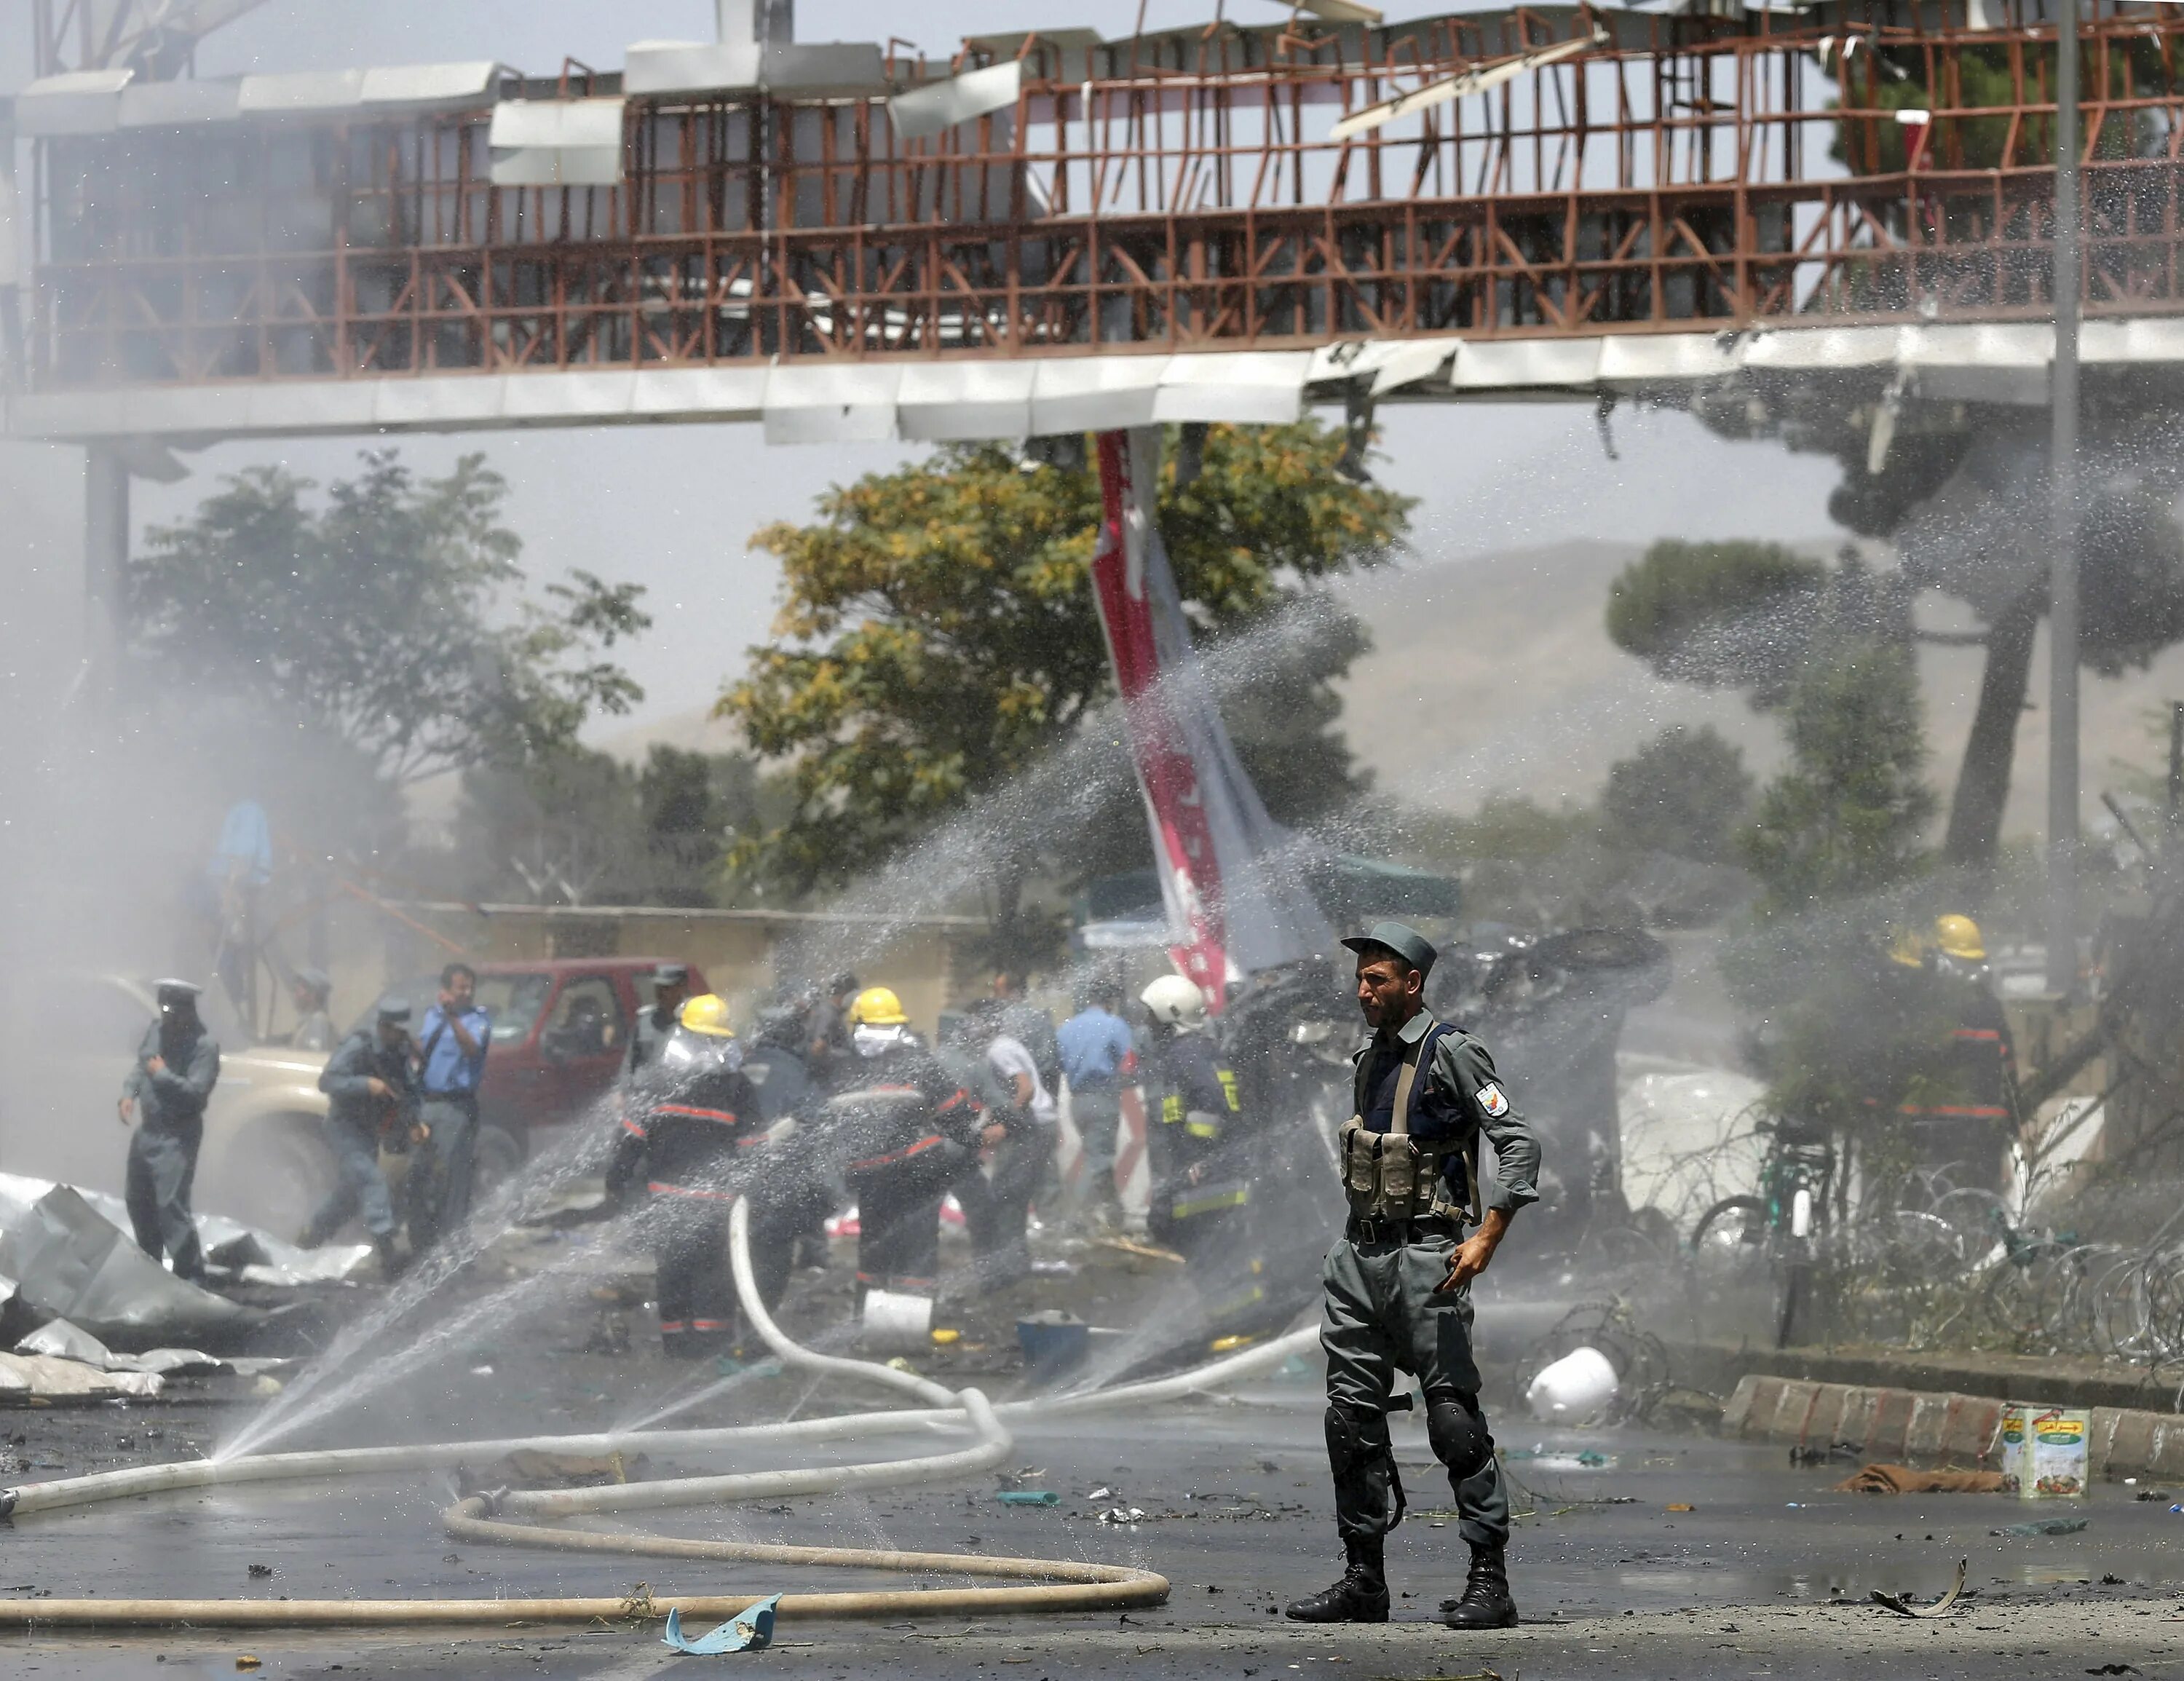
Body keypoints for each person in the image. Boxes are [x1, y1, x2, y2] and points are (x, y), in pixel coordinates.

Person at [1286, 922, 1541, 1632]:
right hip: (1359, 1259)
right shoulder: (1368, 1058)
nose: (1363, 990)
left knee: (1453, 1418)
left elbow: (1517, 1141)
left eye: (1378, 979)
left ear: (1413, 983)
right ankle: (1364, 1580)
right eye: (1361, 978)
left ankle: (1490, 1580)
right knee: (1351, 1419)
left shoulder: (1453, 1051)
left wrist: (1490, 1231)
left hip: (1431, 1258)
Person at [606, 994, 774, 1359]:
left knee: (673, 1272)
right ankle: (709, 1349)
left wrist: (615, 1183)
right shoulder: (737, 1087)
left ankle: (678, 1347)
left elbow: (630, 1140)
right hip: (715, 1206)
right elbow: (755, 1149)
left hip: (668, 1202)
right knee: (712, 1277)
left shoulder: (657, 1082)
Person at [823, 986, 982, 1313]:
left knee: (875, 1244)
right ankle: (912, 1318)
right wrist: (970, 1141)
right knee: (918, 1244)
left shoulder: (844, 1069)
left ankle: (868, 1317)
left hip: (870, 1174)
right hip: (919, 1170)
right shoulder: (919, 1063)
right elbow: (956, 1116)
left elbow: (829, 1123)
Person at [1137, 973, 1249, 1262]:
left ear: (1170, 1014)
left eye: (1152, 1018)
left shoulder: (1185, 1052)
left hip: (1205, 1177)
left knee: (1204, 1250)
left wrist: (1199, 1158)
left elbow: (1212, 1100)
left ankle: (1239, 1307)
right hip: (1211, 1171)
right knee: (1216, 1254)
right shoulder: (1200, 1048)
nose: (1148, 1026)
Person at [304, 997, 419, 1277]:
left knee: (351, 1194)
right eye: (396, 1031)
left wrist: (416, 1121)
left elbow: (410, 1088)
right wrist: (366, 1084)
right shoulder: (359, 1045)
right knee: (371, 1179)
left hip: (369, 1129)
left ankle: (311, 1236)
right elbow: (327, 1081)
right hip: (345, 1127)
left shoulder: (399, 1050)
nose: (400, 1036)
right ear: (383, 1026)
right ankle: (387, 1253)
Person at [951, 999, 1057, 1290]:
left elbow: (1025, 1087)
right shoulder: (1006, 1044)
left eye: (975, 1021)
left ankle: (1008, 1268)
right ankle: (1016, 1261)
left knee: (1005, 1197)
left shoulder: (998, 1049)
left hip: (1029, 1128)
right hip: (1039, 1125)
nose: (970, 1028)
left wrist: (1005, 1125)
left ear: (987, 1022)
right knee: (1015, 1197)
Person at [119, 979, 221, 1280]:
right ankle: (151, 1267)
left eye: (174, 1013)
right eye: (165, 1012)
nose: (168, 1020)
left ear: (187, 1011)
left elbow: (195, 1094)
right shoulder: (157, 1030)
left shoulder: (204, 1047)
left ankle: (191, 1276)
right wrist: (129, 1094)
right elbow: (142, 1065)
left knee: (171, 1208)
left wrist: (162, 1076)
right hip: (148, 1131)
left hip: (176, 1135)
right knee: (138, 1200)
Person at [409, 961, 491, 1253]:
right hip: (427, 1104)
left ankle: (455, 1248)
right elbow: (423, 1051)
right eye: (460, 988)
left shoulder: (477, 1019)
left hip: (456, 1108)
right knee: (420, 1174)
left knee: (453, 1181)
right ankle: (422, 1245)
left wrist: (454, 1017)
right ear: (444, 991)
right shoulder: (432, 1016)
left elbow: (471, 1048)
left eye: (470, 988)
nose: (467, 993)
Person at [1057, 977, 1136, 1227]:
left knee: (1096, 1155)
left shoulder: (1067, 1028)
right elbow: (1130, 1061)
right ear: (1109, 1002)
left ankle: (1114, 1214)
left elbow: (1058, 1063)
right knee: (1099, 1160)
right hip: (1103, 1097)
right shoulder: (1114, 1024)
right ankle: (1074, 1217)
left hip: (1077, 1101)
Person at [628, 963, 692, 1080]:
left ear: (682, 988)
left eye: (666, 988)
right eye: (658, 987)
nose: (660, 993)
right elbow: (629, 1065)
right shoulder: (645, 1021)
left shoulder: (696, 1021)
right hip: (649, 1092)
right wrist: (622, 1092)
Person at [805, 973, 860, 1093]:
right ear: (845, 993)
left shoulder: (832, 1013)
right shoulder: (828, 1014)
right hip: (826, 1082)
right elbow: (817, 1049)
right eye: (854, 994)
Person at [288, 967, 336, 1053]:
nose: (295, 995)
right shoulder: (308, 1022)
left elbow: (312, 1056)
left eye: (298, 990)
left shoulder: (318, 1021)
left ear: (312, 994)